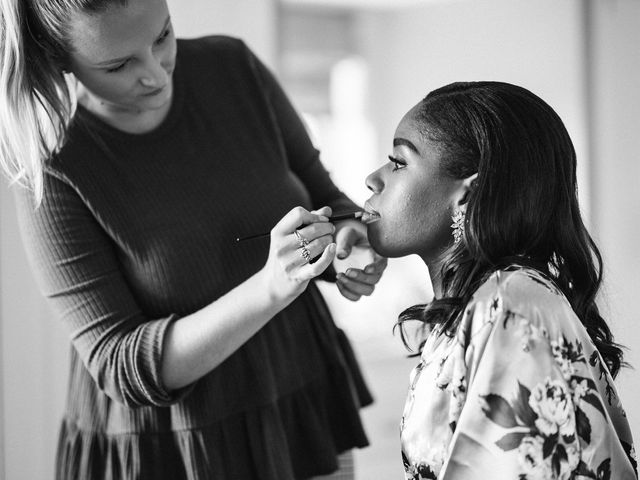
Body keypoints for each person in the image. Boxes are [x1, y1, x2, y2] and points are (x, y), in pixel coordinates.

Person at [0, 0, 388, 478]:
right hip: (174, 443)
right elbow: (119, 363)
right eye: (119, 65)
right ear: (59, 60)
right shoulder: (55, 166)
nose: (156, 75)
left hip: (295, 388)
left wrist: (348, 243)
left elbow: (327, 197)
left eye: (163, 36)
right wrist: (269, 287)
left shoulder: (233, 67)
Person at [363, 81, 637, 479]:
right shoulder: (475, 308)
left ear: (468, 194)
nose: (373, 179)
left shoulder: (512, 306)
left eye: (399, 161)